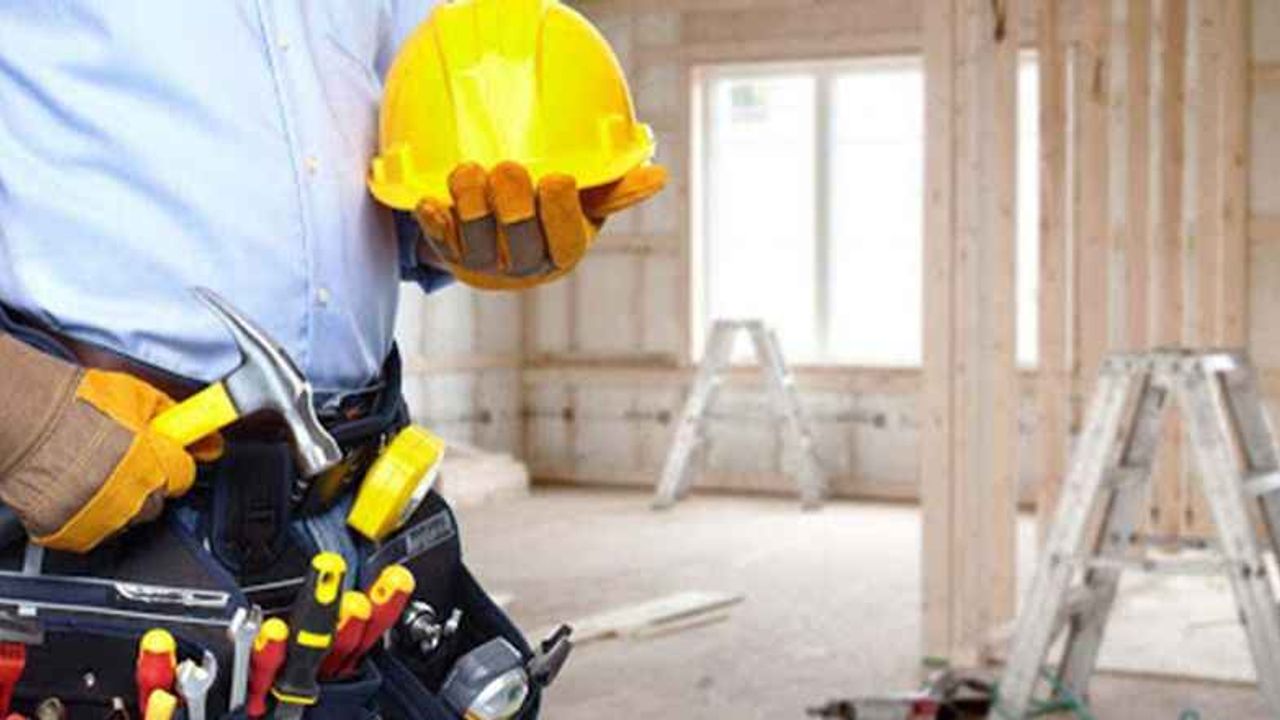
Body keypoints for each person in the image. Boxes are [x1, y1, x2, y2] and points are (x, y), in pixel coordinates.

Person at [0, 3, 664, 716]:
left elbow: (400, 162)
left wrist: (478, 225)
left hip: (359, 500)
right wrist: (16, 407)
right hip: (106, 491)